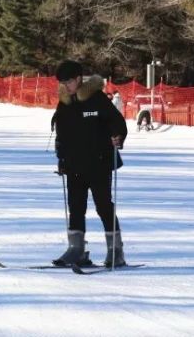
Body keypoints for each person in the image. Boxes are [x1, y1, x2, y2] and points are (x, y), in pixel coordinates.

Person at [51, 59, 128, 268]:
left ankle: (116, 251)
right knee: (75, 207)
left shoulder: (96, 99)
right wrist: (62, 158)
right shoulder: (65, 103)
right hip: (75, 165)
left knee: (103, 206)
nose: (65, 86)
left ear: (78, 79)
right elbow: (62, 134)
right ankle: (76, 249)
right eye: (62, 83)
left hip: (99, 163)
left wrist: (117, 136)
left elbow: (117, 122)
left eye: (68, 82)